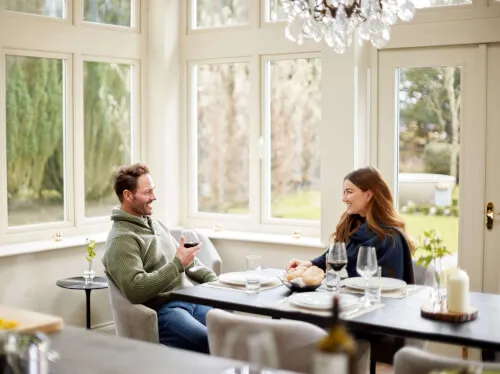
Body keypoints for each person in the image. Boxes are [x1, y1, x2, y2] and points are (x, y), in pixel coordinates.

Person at [102, 163, 217, 354]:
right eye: (147, 192)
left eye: (153, 191)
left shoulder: (156, 224)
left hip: (192, 299)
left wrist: (216, 282)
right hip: (166, 310)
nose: (154, 197)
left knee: (232, 331)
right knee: (210, 341)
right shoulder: (121, 239)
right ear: (128, 195)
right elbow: (135, 289)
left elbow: (189, 262)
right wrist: (177, 265)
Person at [287, 166, 414, 284]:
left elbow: (387, 286)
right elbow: (334, 256)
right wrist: (308, 264)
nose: (344, 198)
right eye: (344, 192)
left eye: (349, 192)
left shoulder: (390, 239)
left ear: (368, 195)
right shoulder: (353, 225)